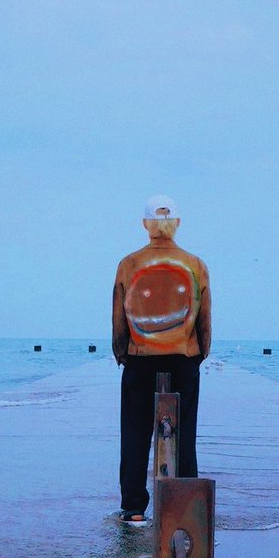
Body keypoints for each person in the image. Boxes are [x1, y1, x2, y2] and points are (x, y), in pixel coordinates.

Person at [112, 194, 211, 526]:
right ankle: (181, 507)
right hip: (184, 359)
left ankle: (134, 508)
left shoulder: (129, 263)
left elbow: (118, 318)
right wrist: (199, 352)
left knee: (136, 434)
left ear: (145, 224)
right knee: (185, 435)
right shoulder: (195, 264)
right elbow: (204, 319)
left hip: (140, 360)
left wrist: (121, 352)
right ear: (177, 224)